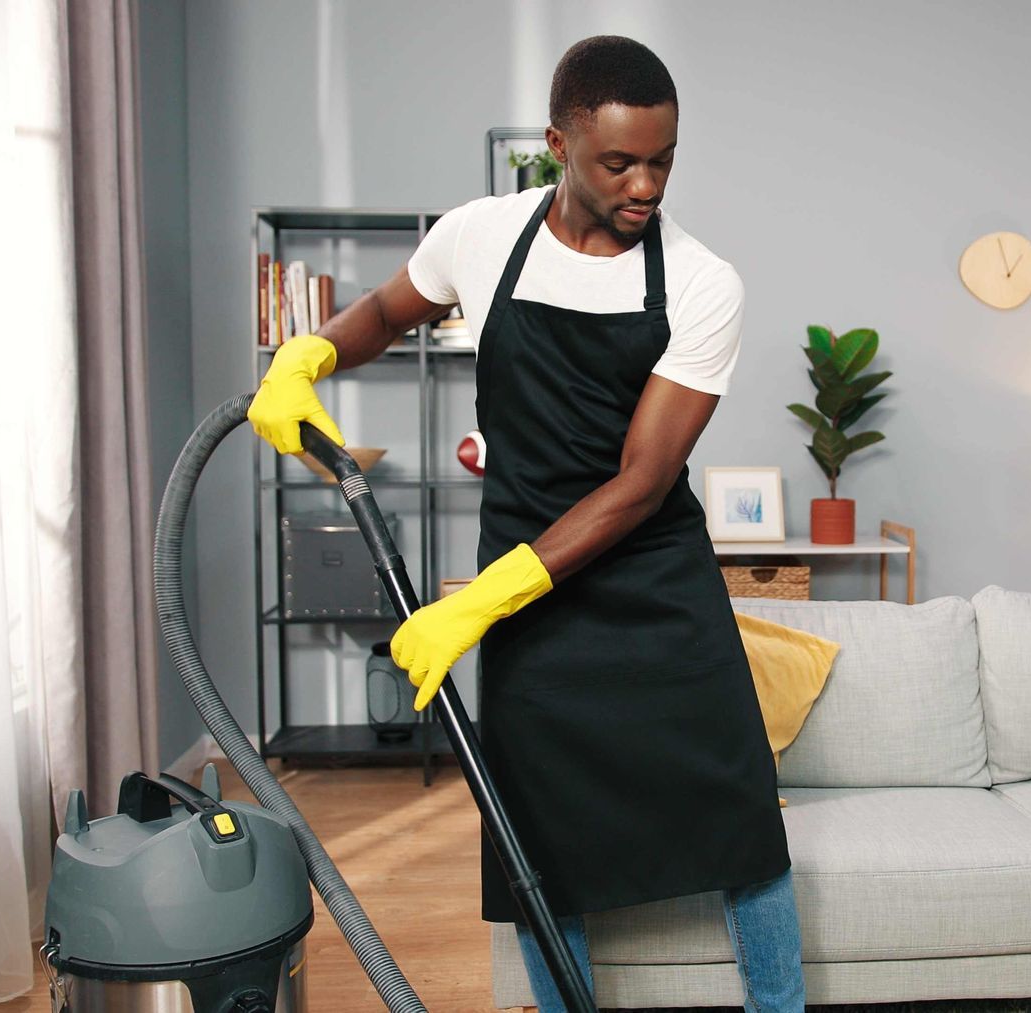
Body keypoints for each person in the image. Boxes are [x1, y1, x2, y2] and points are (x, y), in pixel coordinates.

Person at [245, 35, 804, 1013]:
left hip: (652, 582)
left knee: (741, 819)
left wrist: (481, 599)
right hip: (536, 604)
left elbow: (639, 482)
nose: (645, 184)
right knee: (535, 836)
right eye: (617, 160)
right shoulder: (482, 236)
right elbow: (380, 313)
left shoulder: (705, 282)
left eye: (662, 160)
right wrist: (307, 357)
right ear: (559, 143)